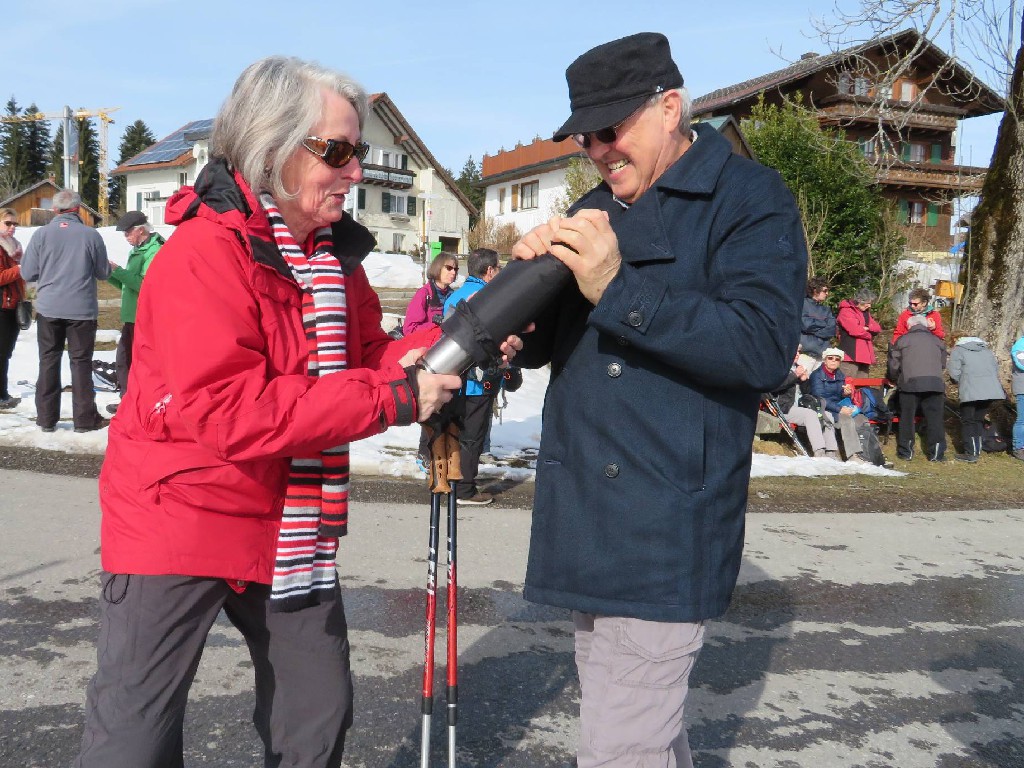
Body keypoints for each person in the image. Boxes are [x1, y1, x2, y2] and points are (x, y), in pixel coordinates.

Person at [75, 56, 521, 768]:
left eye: (358, 155)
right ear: (270, 145)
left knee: (316, 713)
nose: (356, 172)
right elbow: (228, 410)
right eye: (337, 152)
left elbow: (371, 352)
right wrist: (394, 397)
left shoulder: (331, 260)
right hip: (180, 511)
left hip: (290, 517)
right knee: (134, 734)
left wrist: (451, 346)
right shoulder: (201, 255)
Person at [510, 33, 807, 768]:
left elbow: (763, 348)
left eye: (613, 130)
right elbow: (558, 343)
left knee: (619, 745)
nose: (599, 149)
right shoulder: (593, 205)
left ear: (670, 107)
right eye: (585, 135)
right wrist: (522, 312)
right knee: (635, 727)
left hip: (668, 519)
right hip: (586, 509)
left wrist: (617, 286)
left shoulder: (751, 198)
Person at [19, 189, 111, 433]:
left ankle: (47, 419)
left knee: (48, 361)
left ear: (55, 210)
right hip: (81, 309)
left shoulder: (41, 234)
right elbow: (103, 272)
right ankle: (84, 420)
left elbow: (27, 273)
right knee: (80, 363)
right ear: (78, 209)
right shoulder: (91, 236)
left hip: (49, 308)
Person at [441, 247, 504, 505]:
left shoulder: (454, 297)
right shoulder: (488, 296)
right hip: (478, 378)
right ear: (489, 271)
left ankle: (449, 481)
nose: (499, 272)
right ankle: (465, 490)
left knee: (454, 430)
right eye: (498, 268)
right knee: (472, 433)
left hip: (452, 373)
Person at [106, 211, 164, 414]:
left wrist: (119, 271)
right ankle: (128, 400)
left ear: (141, 230)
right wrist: (110, 274)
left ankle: (137, 403)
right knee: (124, 361)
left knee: (137, 363)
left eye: (128, 232)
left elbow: (145, 285)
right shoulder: (138, 250)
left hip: (145, 318)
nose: (125, 237)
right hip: (132, 317)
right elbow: (128, 287)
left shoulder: (155, 251)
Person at [888, 314, 948, 461]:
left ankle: (906, 452)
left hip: (910, 383)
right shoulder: (938, 341)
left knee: (907, 418)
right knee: (935, 419)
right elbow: (943, 364)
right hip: (934, 383)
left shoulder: (903, 340)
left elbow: (894, 364)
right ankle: (937, 454)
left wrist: (894, 378)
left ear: (910, 326)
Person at [770, 347, 840, 459]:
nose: (798, 354)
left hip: (802, 405)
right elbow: (773, 387)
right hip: (784, 407)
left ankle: (831, 452)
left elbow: (808, 393)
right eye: (795, 351)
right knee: (810, 415)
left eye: (799, 352)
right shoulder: (777, 368)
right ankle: (819, 451)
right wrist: (794, 375)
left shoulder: (799, 368)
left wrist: (804, 380)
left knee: (827, 414)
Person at [808, 348, 872, 464]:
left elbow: (839, 395)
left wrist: (845, 393)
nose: (834, 361)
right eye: (830, 358)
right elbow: (819, 397)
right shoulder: (817, 375)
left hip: (838, 406)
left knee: (861, 419)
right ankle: (853, 455)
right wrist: (840, 409)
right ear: (825, 360)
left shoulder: (839, 374)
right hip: (823, 407)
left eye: (837, 359)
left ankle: (870, 453)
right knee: (846, 420)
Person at [947, 334, 1006, 462]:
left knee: (968, 420)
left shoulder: (958, 351)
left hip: (970, 390)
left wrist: (959, 381)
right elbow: (995, 369)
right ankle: (977, 449)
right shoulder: (986, 351)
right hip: (990, 390)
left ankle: (971, 453)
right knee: (978, 420)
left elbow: (954, 373)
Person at [0, 209, 25, 409]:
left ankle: (3, 394)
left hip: (13, 304)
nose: (12, 227)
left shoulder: (14, 247)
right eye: (8, 223)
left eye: (15, 224)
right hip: (2, 306)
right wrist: (19, 269)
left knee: (6, 353)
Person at [402, 251, 458, 335]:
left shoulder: (453, 295)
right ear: (438, 268)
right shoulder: (424, 294)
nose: (453, 272)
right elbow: (409, 329)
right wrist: (436, 325)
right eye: (449, 268)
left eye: (455, 269)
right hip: (426, 345)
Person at [836, 287, 882, 377]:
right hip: (850, 355)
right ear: (860, 301)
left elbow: (877, 328)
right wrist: (869, 334)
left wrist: (867, 328)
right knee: (847, 384)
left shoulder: (866, 313)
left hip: (865, 356)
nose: (870, 306)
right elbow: (856, 331)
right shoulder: (846, 311)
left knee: (862, 386)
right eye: (868, 303)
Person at [800, 276, 836, 366]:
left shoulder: (826, 309)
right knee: (802, 380)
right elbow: (805, 325)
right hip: (805, 354)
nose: (827, 293)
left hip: (823, 354)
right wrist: (824, 323)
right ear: (815, 290)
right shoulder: (802, 305)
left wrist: (814, 330)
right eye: (825, 290)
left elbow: (832, 329)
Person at [1012, 334, 1024, 461]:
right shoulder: (1020, 345)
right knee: (1022, 420)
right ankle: (1018, 447)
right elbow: (1021, 364)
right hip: (1022, 388)